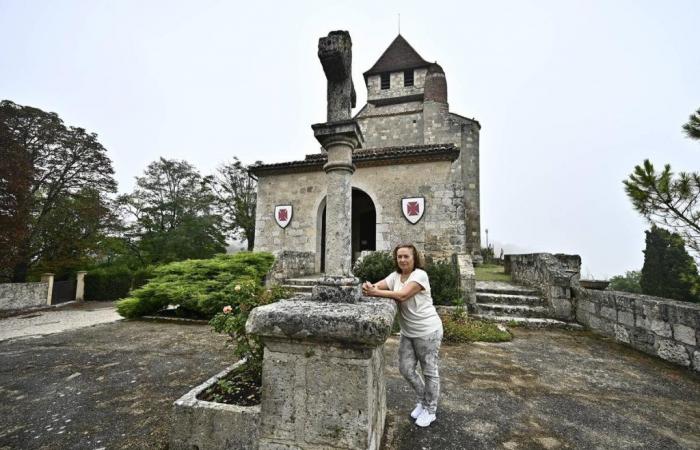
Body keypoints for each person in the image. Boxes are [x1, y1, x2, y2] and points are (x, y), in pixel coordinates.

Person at [362, 243, 444, 427]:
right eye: (399, 257)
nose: (402, 260)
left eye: (406, 256)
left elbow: (402, 295)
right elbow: (378, 286)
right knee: (406, 369)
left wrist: (376, 292)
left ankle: (430, 410)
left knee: (430, 371)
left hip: (427, 331)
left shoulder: (419, 276)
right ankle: (423, 400)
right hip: (408, 332)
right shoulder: (395, 276)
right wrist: (368, 286)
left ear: (414, 258)